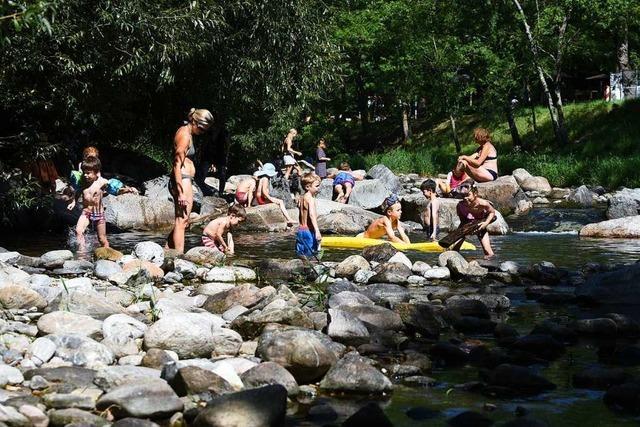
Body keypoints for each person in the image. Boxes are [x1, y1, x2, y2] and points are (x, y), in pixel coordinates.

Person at [167, 108, 214, 253]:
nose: (202, 132)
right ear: (194, 121)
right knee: (182, 221)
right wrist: (180, 191)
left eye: (205, 130)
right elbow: (176, 164)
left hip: (185, 179)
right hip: (183, 180)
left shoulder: (187, 132)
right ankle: (179, 256)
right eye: (201, 128)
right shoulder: (185, 136)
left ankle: (167, 250)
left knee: (182, 220)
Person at [69, 146, 138, 199]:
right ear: (85, 156)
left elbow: (98, 176)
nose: (91, 159)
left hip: (95, 181)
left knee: (111, 185)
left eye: (94, 157)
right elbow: (81, 174)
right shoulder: (81, 164)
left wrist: (100, 185)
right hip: (86, 182)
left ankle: (128, 189)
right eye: (89, 157)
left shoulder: (96, 165)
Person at [74, 156, 109, 250]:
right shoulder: (83, 183)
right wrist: (73, 202)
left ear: (96, 172)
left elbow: (115, 188)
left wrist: (127, 190)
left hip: (99, 214)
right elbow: (77, 192)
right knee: (79, 231)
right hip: (86, 213)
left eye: (88, 173)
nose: (85, 175)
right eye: (84, 173)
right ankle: (82, 254)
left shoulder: (102, 182)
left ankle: (108, 254)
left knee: (101, 239)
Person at [455, 185, 496, 258]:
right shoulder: (460, 205)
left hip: (480, 225)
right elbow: (462, 220)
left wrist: (486, 223)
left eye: (468, 195)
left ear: (475, 194)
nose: (465, 198)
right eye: (463, 195)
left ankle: (490, 266)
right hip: (466, 224)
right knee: (454, 249)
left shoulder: (482, 203)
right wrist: (466, 230)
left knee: (488, 252)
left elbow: (492, 212)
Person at [195, 124, 230, 196]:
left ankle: (221, 193)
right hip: (209, 154)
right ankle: (200, 188)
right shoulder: (210, 132)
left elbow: (226, 146)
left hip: (219, 155)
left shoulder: (223, 133)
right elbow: (205, 144)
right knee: (203, 173)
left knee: (222, 175)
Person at [296, 173, 322, 257]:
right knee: (311, 255)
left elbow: (300, 214)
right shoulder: (311, 199)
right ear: (307, 187)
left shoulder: (301, 198)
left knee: (301, 254)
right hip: (309, 231)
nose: (319, 188)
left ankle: (302, 269)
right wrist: (317, 231)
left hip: (300, 230)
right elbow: (311, 214)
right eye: (317, 186)